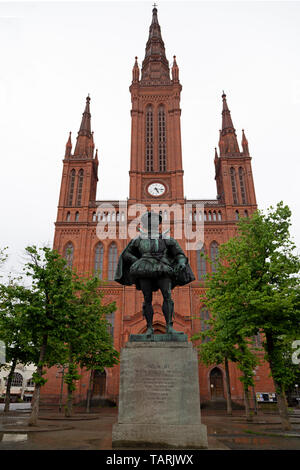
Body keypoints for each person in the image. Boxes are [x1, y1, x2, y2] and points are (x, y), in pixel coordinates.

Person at [114, 211, 195, 335]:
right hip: (144, 269)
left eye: (155, 221)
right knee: (147, 298)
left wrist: (182, 262)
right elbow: (126, 253)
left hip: (163, 268)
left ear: (159, 224)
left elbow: (179, 254)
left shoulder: (167, 239)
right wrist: (137, 260)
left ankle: (169, 326)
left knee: (167, 296)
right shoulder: (139, 239)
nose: (153, 224)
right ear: (146, 224)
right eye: (150, 222)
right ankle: (149, 328)